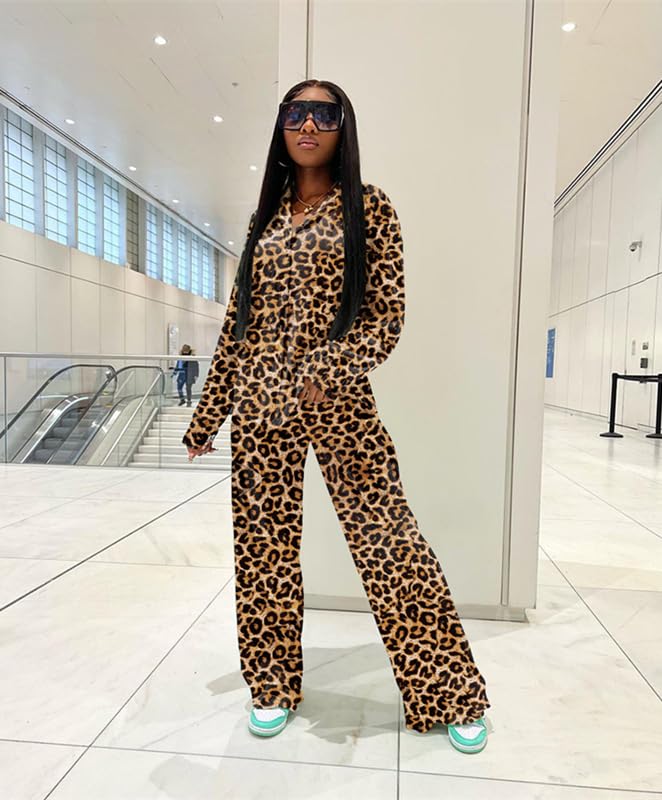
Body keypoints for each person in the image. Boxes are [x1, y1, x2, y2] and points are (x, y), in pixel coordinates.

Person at [182, 79, 491, 753]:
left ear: (342, 128)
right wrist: (208, 416)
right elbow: (237, 326)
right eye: (297, 113)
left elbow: (386, 318)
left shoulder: (368, 207)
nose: (309, 125)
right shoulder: (264, 220)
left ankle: (451, 692)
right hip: (260, 410)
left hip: (340, 404)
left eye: (325, 114)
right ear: (281, 126)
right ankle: (271, 685)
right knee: (262, 553)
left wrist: (329, 366)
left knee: (391, 544)